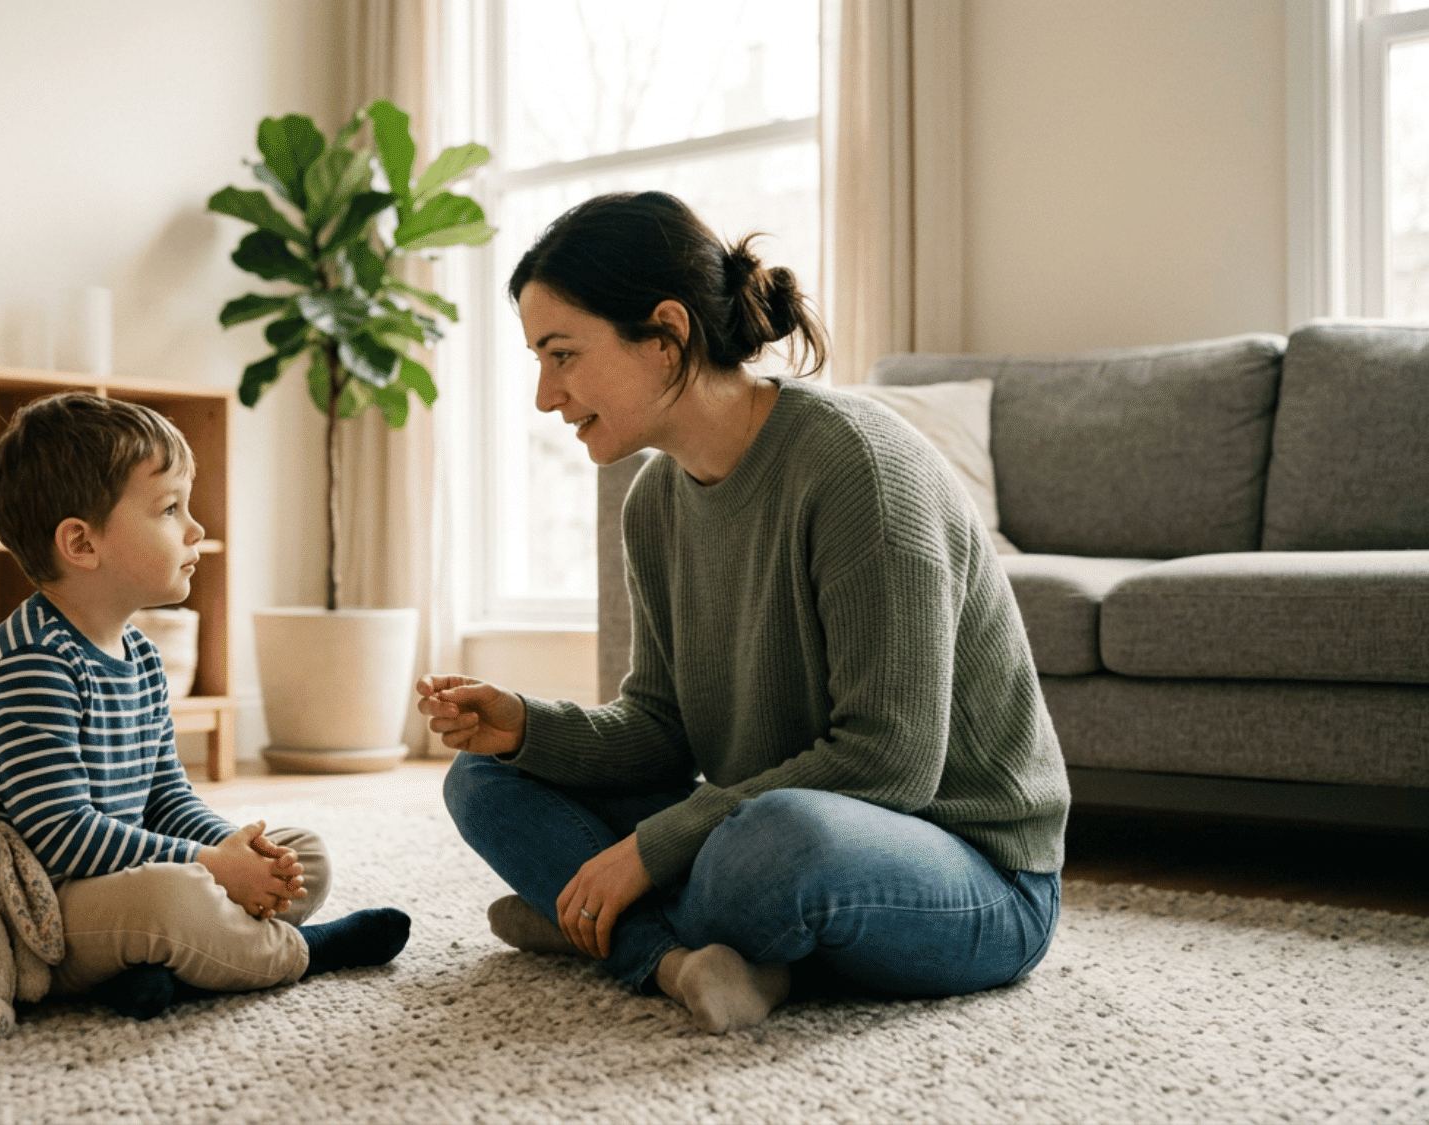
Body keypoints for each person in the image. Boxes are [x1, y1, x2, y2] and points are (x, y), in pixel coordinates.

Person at [421, 191, 1069, 1033]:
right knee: (485, 779)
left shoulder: (859, 467)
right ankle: (675, 955)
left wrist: (648, 852)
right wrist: (524, 725)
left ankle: (605, 925)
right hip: (764, 820)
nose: (547, 394)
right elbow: (661, 729)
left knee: (774, 840)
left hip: (971, 873)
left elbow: (893, 760)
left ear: (666, 334)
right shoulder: (652, 503)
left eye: (563, 354)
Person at [0, 391, 410, 1019]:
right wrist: (210, 867)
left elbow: (165, 798)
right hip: (26, 915)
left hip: (105, 884)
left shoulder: (141, 654)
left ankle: (159, 969)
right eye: (169, 509)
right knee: (173, 899)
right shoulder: (33, 663)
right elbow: (61, 837)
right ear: (81, 543)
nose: (196, 529)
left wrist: (236, 850)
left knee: (302, 854)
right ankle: (303, 952)